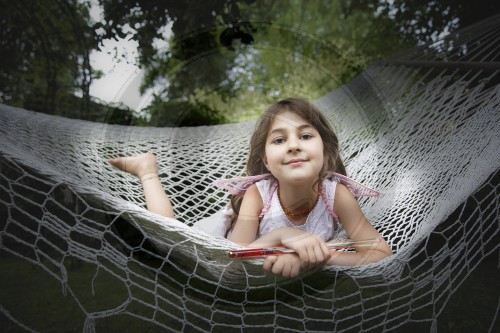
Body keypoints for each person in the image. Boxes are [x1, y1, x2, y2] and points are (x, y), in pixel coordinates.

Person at [108, 97, 393, 278]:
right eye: (279, 140)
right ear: (267, 162)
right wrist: (283, 235)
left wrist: (317, 258)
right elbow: (233, 260)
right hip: (222, 237)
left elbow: (381, 253)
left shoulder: (336, 195)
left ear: (325, 151)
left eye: (305, 136)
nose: (293, 145)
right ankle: (147, 171)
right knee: (168, 236)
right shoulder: (259, 193)